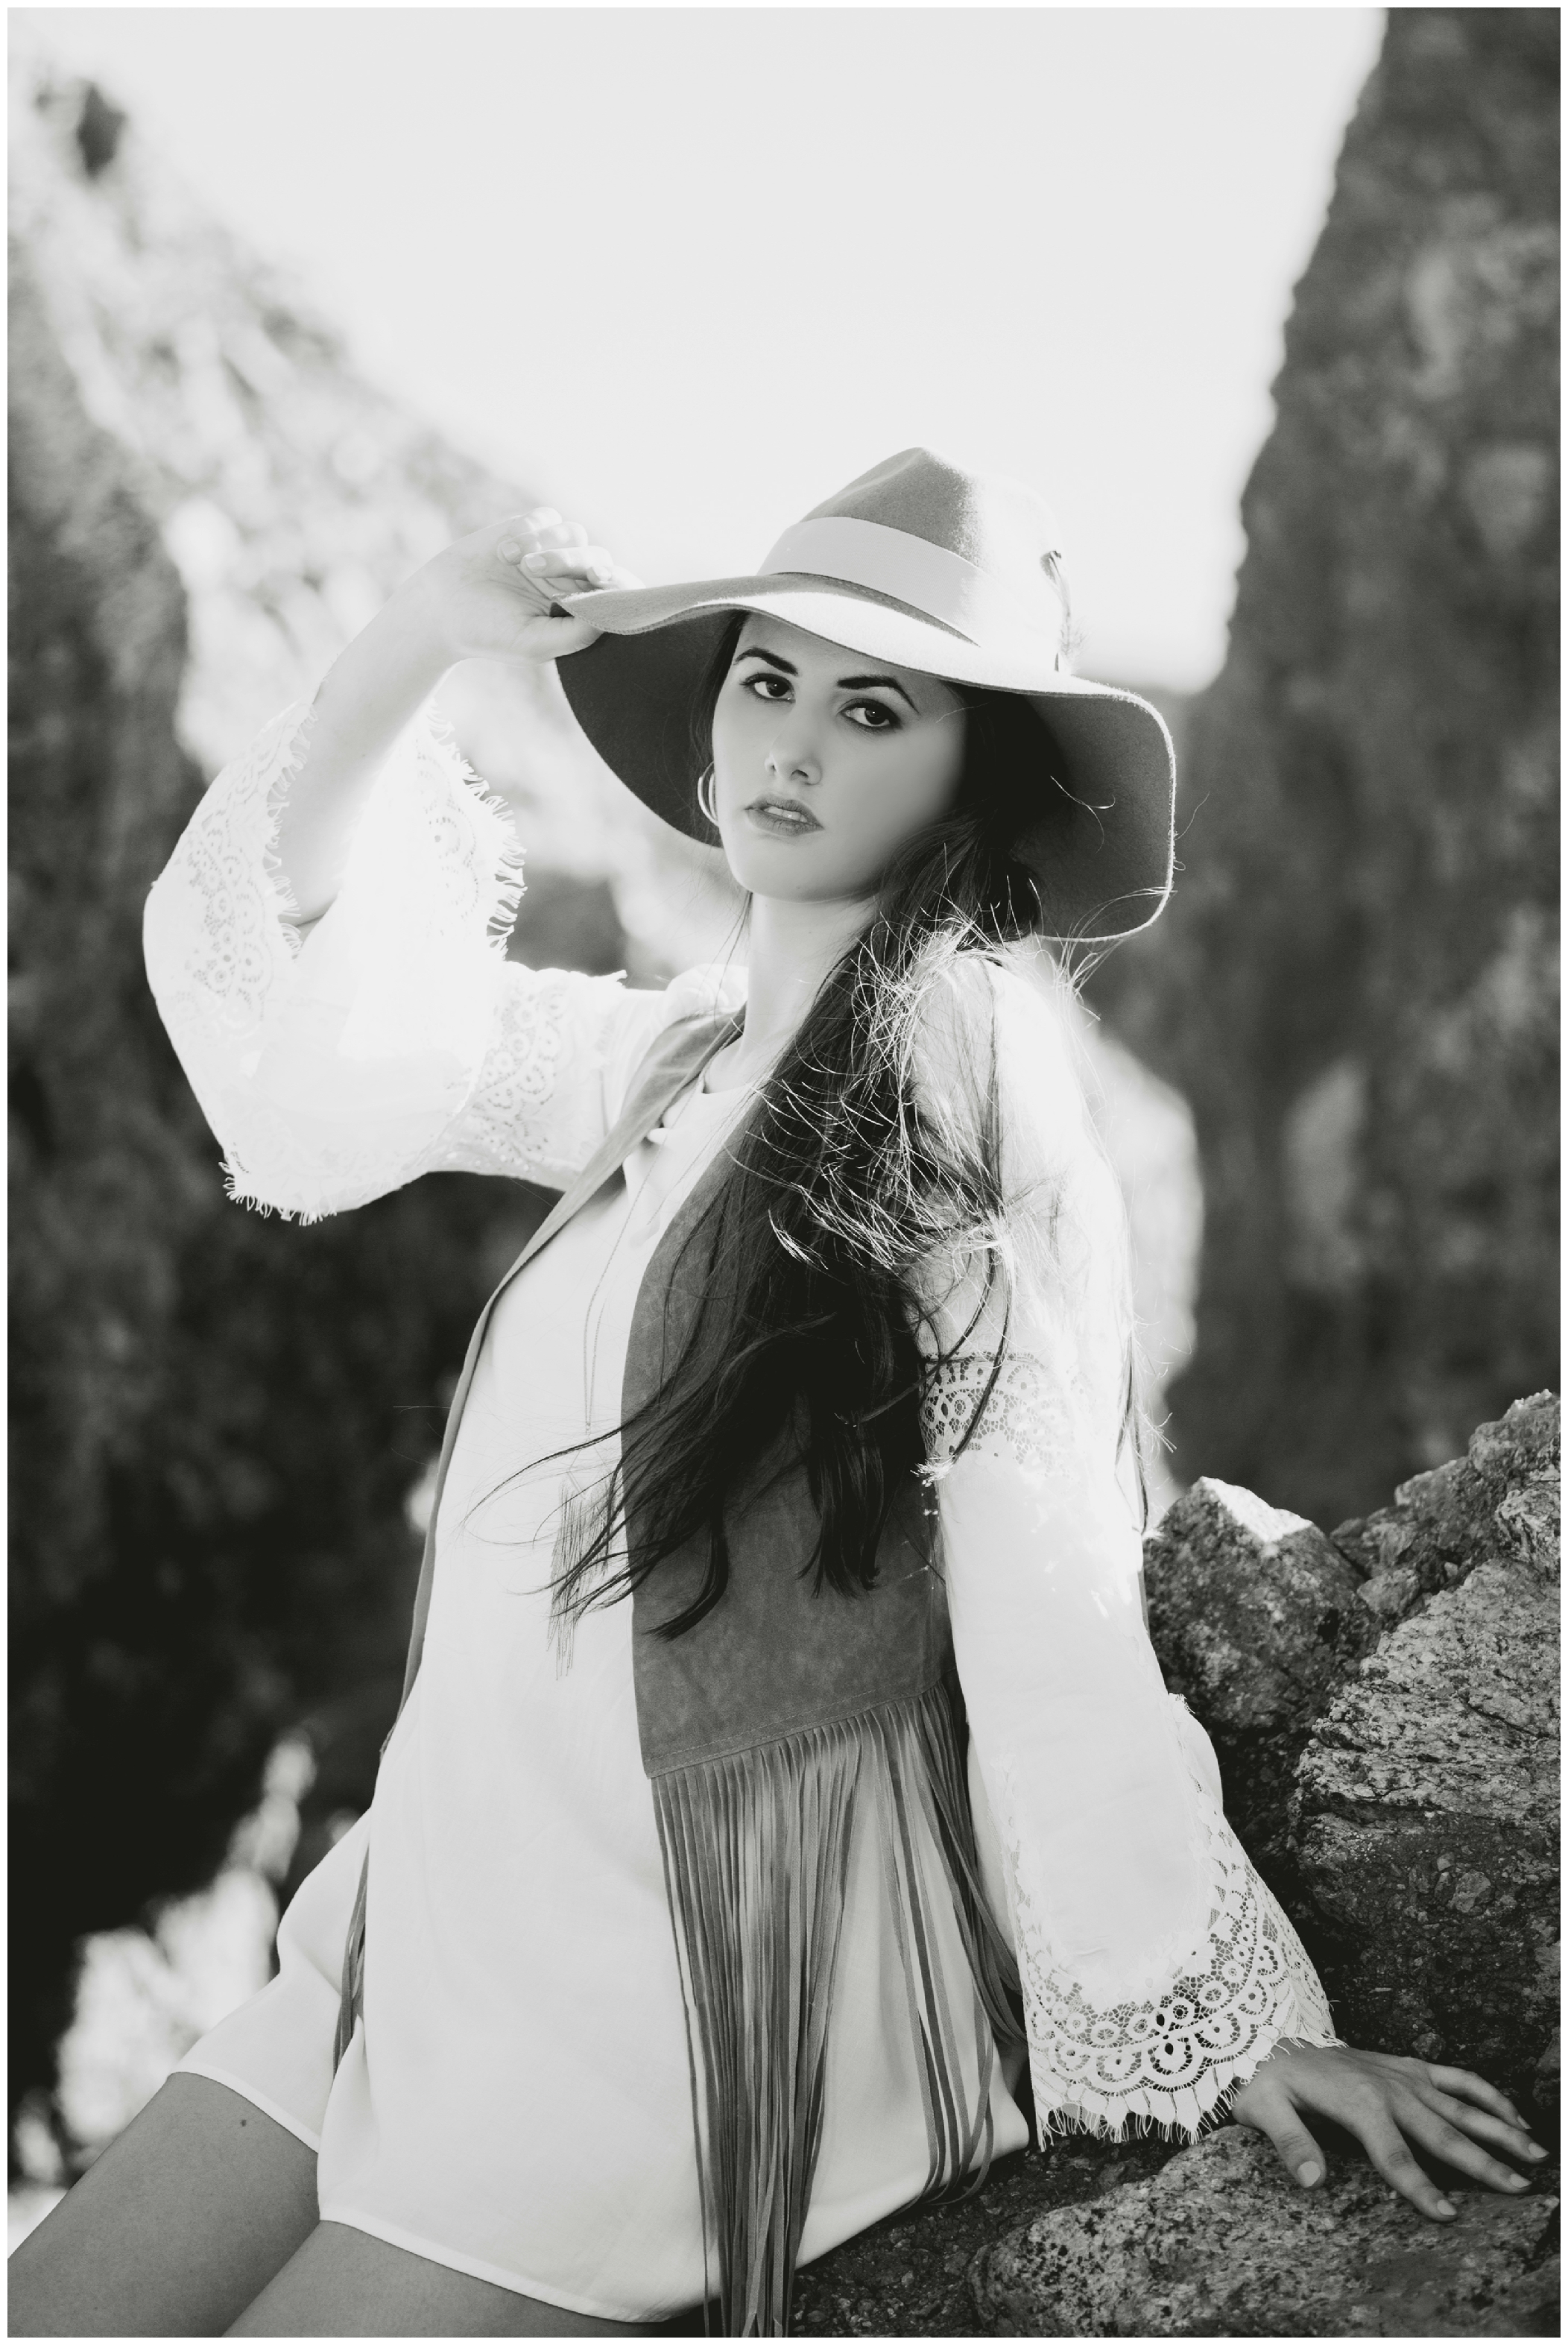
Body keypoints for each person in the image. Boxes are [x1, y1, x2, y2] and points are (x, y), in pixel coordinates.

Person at [11, 450, 1543, 2341]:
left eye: (870, 705)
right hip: (447, 1890)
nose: (790, 741)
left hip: (673, 1963)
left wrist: (1217, 2013)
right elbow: (305, 1017)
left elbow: (1045, 1566)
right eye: (764, 679)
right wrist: (420, 638)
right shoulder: (680, 1047)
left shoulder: (969, 1077)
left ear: (967, 774)